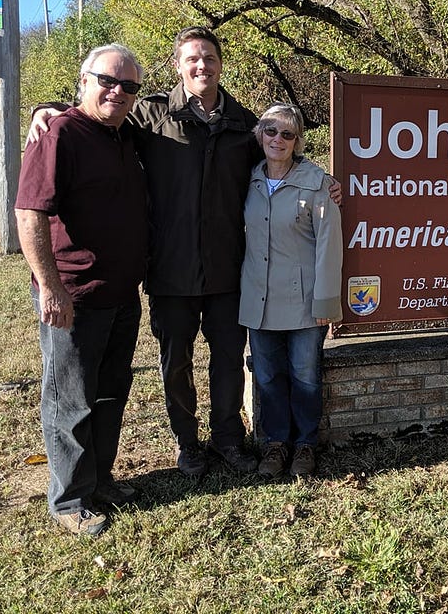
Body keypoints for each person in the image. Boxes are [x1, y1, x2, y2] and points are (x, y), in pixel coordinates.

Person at [30, 26, 341, 478]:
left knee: (229, 363)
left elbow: (282, 155)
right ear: (178, 65)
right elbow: (99, 113)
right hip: (169, 270)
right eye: (192, 58)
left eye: (210, 58)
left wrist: (324, 181)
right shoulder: (151, 117)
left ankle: (229, 439)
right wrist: (48, 109)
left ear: (220, 65)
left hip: (229, 273)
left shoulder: (243, 125)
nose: (202, 66)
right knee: (176, 365)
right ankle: (188, 443)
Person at [16, 44, 148, 536]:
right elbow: (29, 212)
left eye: (128, 86)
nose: (118, 91)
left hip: (121, 293)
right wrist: (51, 289)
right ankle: (69, 499)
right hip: (73, 294)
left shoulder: (125, 135)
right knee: (69, 400)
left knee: (111, 394)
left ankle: (100, 479)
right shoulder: (58, 133)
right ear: (84, 81)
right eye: (107, 81)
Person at [240, 104, 343, 478]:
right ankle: (275, 444)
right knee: (267, 376)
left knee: (305, 376)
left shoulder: (318, 184)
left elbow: (329, 245)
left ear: (298, 140)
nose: (278, 140)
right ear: (259, 135)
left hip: (304, 302)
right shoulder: (247, 180)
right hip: (259, 298)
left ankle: (304, 445)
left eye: (287, 134)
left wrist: (326, 303)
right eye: (271, 131)